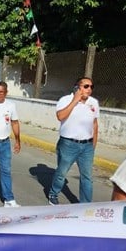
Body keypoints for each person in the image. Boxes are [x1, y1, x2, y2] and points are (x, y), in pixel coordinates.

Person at [47, 77, 99, 205]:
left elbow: (95, 124)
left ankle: (85, 204)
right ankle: (53, 193)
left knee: (87, 177)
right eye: (86, 86)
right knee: (61, 173)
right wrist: (75, 101)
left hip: (87, 145)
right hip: (68, 144)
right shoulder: (65, 100)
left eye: (91, 86)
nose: (89, 89)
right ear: (77, 87)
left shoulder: (93, 102)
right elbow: (60, 116)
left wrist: (93, 145)